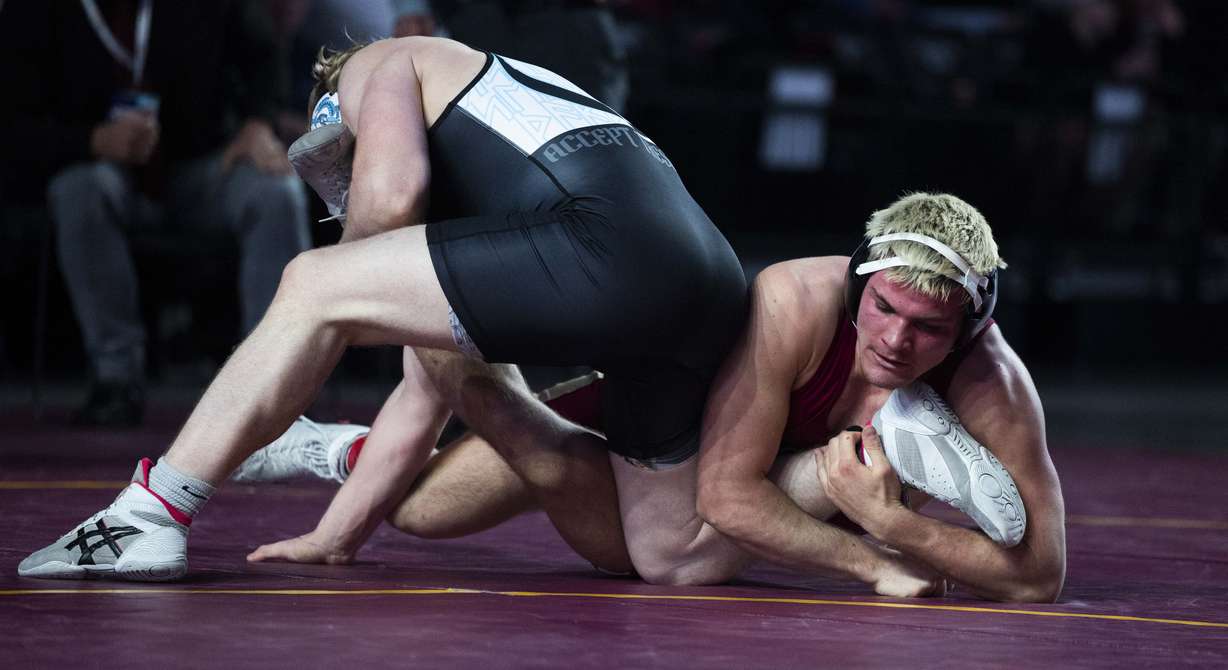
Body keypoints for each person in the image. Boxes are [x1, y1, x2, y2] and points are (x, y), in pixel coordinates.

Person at [18, 35, 746, 582]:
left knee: (312, 280)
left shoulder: (376, 64)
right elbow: (422, 391)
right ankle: (813, 491)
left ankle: (148, 515)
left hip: (604, 242)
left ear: (332, 106)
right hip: (707, 274)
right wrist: (336, 537)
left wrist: (348, 277)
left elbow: (392, 193)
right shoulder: (511, 112)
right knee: (670, 554)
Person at [238, 193, 1066, 602]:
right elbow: (721, 495)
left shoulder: (992, 383)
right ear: (858, 278)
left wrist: (888, 519)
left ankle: (373, 432)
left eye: (927, 329)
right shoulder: (798, 302)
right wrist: (875, 555)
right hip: (668, 453)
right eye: (883, 307)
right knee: (422, 511)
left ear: (971, 324)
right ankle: (406, 353)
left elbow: (1040, 578)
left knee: (659, 547)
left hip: (752, 500)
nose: (892, 340)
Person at [1, 0, 312, 426]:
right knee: (78, 190)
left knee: (278, 192)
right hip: (102, 172)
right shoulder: (36, 12)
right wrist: (89, 141)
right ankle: (116, 377)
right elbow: (14, 128)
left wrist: (259, 122)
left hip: (201, 167)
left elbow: (265, 56)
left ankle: (277, 380)